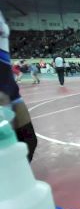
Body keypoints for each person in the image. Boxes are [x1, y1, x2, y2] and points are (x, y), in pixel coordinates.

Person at [0, 10, 38, 162]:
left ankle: (16, 181)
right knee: (6, 148)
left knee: (29, 142)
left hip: (10, 90)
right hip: (3, 92)